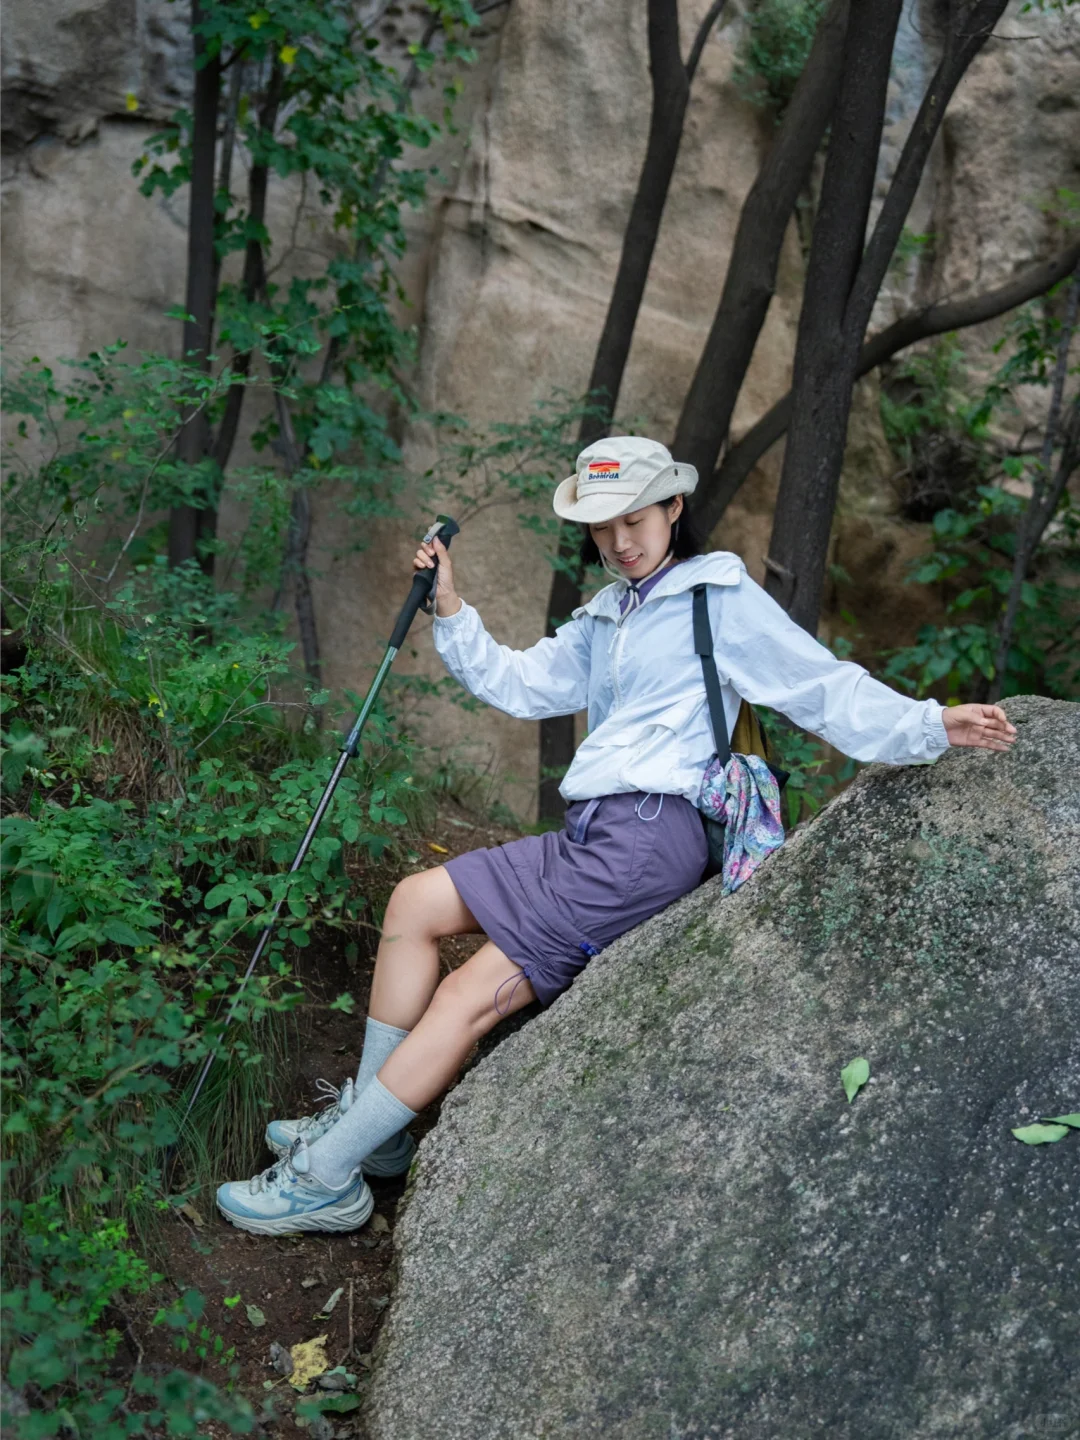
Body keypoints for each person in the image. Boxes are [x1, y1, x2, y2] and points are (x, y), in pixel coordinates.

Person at [216, 435, 1018, 1234]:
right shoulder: (610, 615)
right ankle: (374, 1135)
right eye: (601, 527)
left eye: (635, 519)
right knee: (414, 902)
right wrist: (451, 607)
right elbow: (525, 684)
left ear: (675, 508)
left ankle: (326, 1179)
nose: (620, 542)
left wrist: (928, 724)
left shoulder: (718, 598)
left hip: (647, 840)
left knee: (467, 994)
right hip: (594, 831)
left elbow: (820, 685)